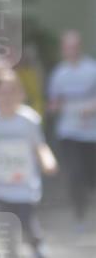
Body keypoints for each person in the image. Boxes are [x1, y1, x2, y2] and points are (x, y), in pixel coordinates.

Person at [0, 71, 58, 258]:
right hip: (1, 185)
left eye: (12, 92)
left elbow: (39, 145)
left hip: (24, 186)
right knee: (7, 228)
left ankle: (36, 241)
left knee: (25, 223)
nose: (7, 98)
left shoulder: (28, 120)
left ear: (20, 94)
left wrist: (48, 161)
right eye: (2, 93)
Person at [47, 30, 96, 229]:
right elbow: (54, 101)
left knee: (90, 175)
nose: (70, 51)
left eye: (73, 47)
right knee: (74, 174)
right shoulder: (59, 73)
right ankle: (79, 214)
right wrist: (53, 108)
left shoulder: (92, 69)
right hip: (68, 132)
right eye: (67, 47)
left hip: (91, 133)